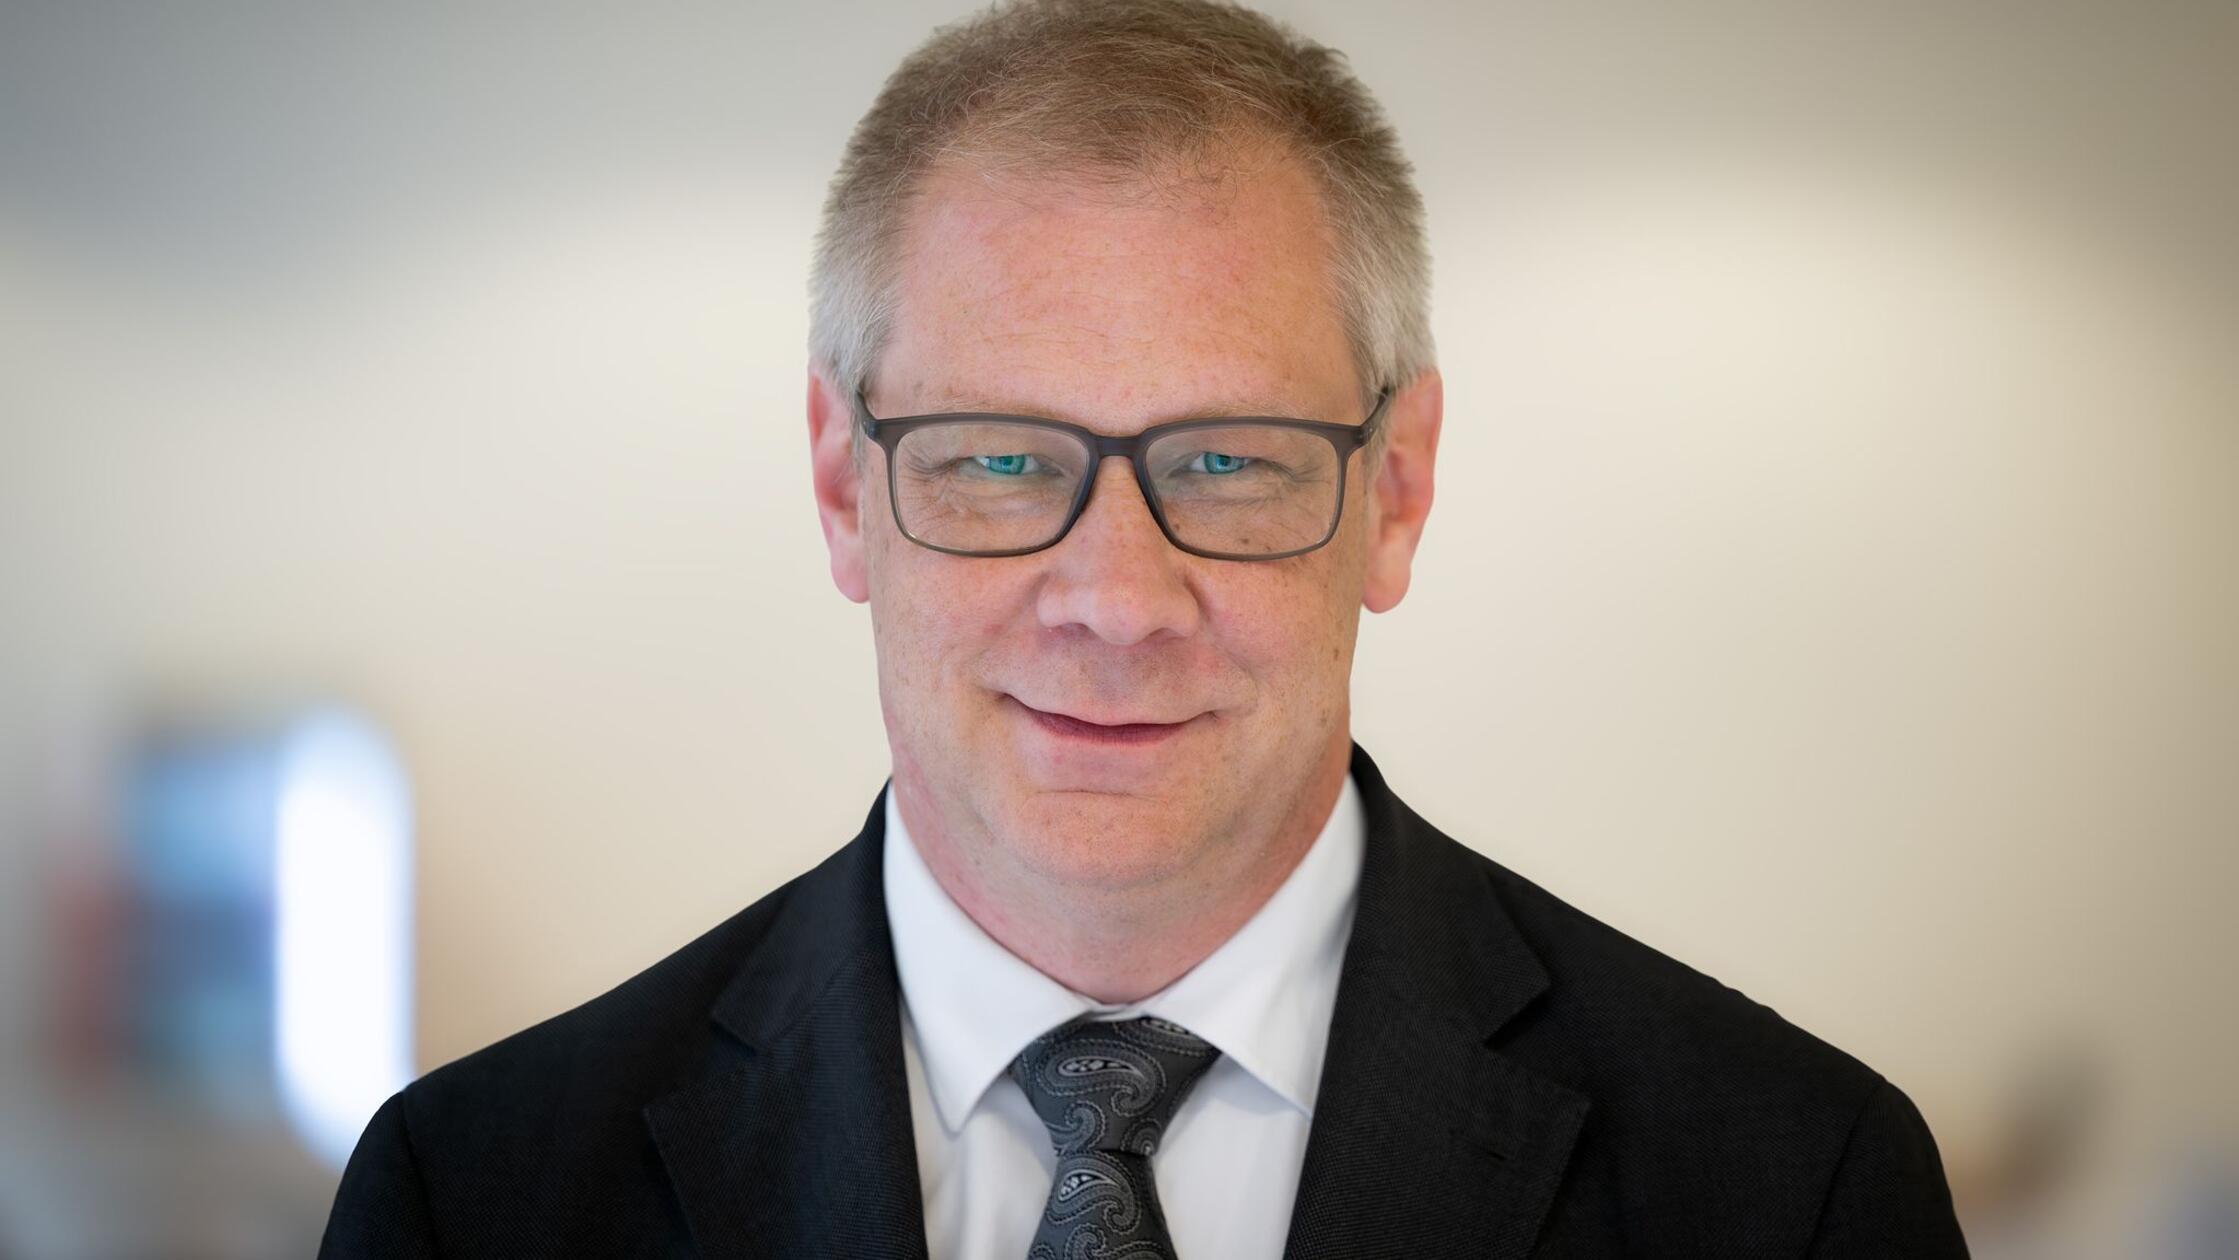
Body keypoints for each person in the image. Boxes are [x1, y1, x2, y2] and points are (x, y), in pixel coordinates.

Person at [320, 1, 1968, 1255]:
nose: (1115, 599)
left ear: (1395, 491)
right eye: (999, 460)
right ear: (841, 485)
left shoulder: (1796, 1190)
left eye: (1230, 461)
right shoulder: (473, 1199)